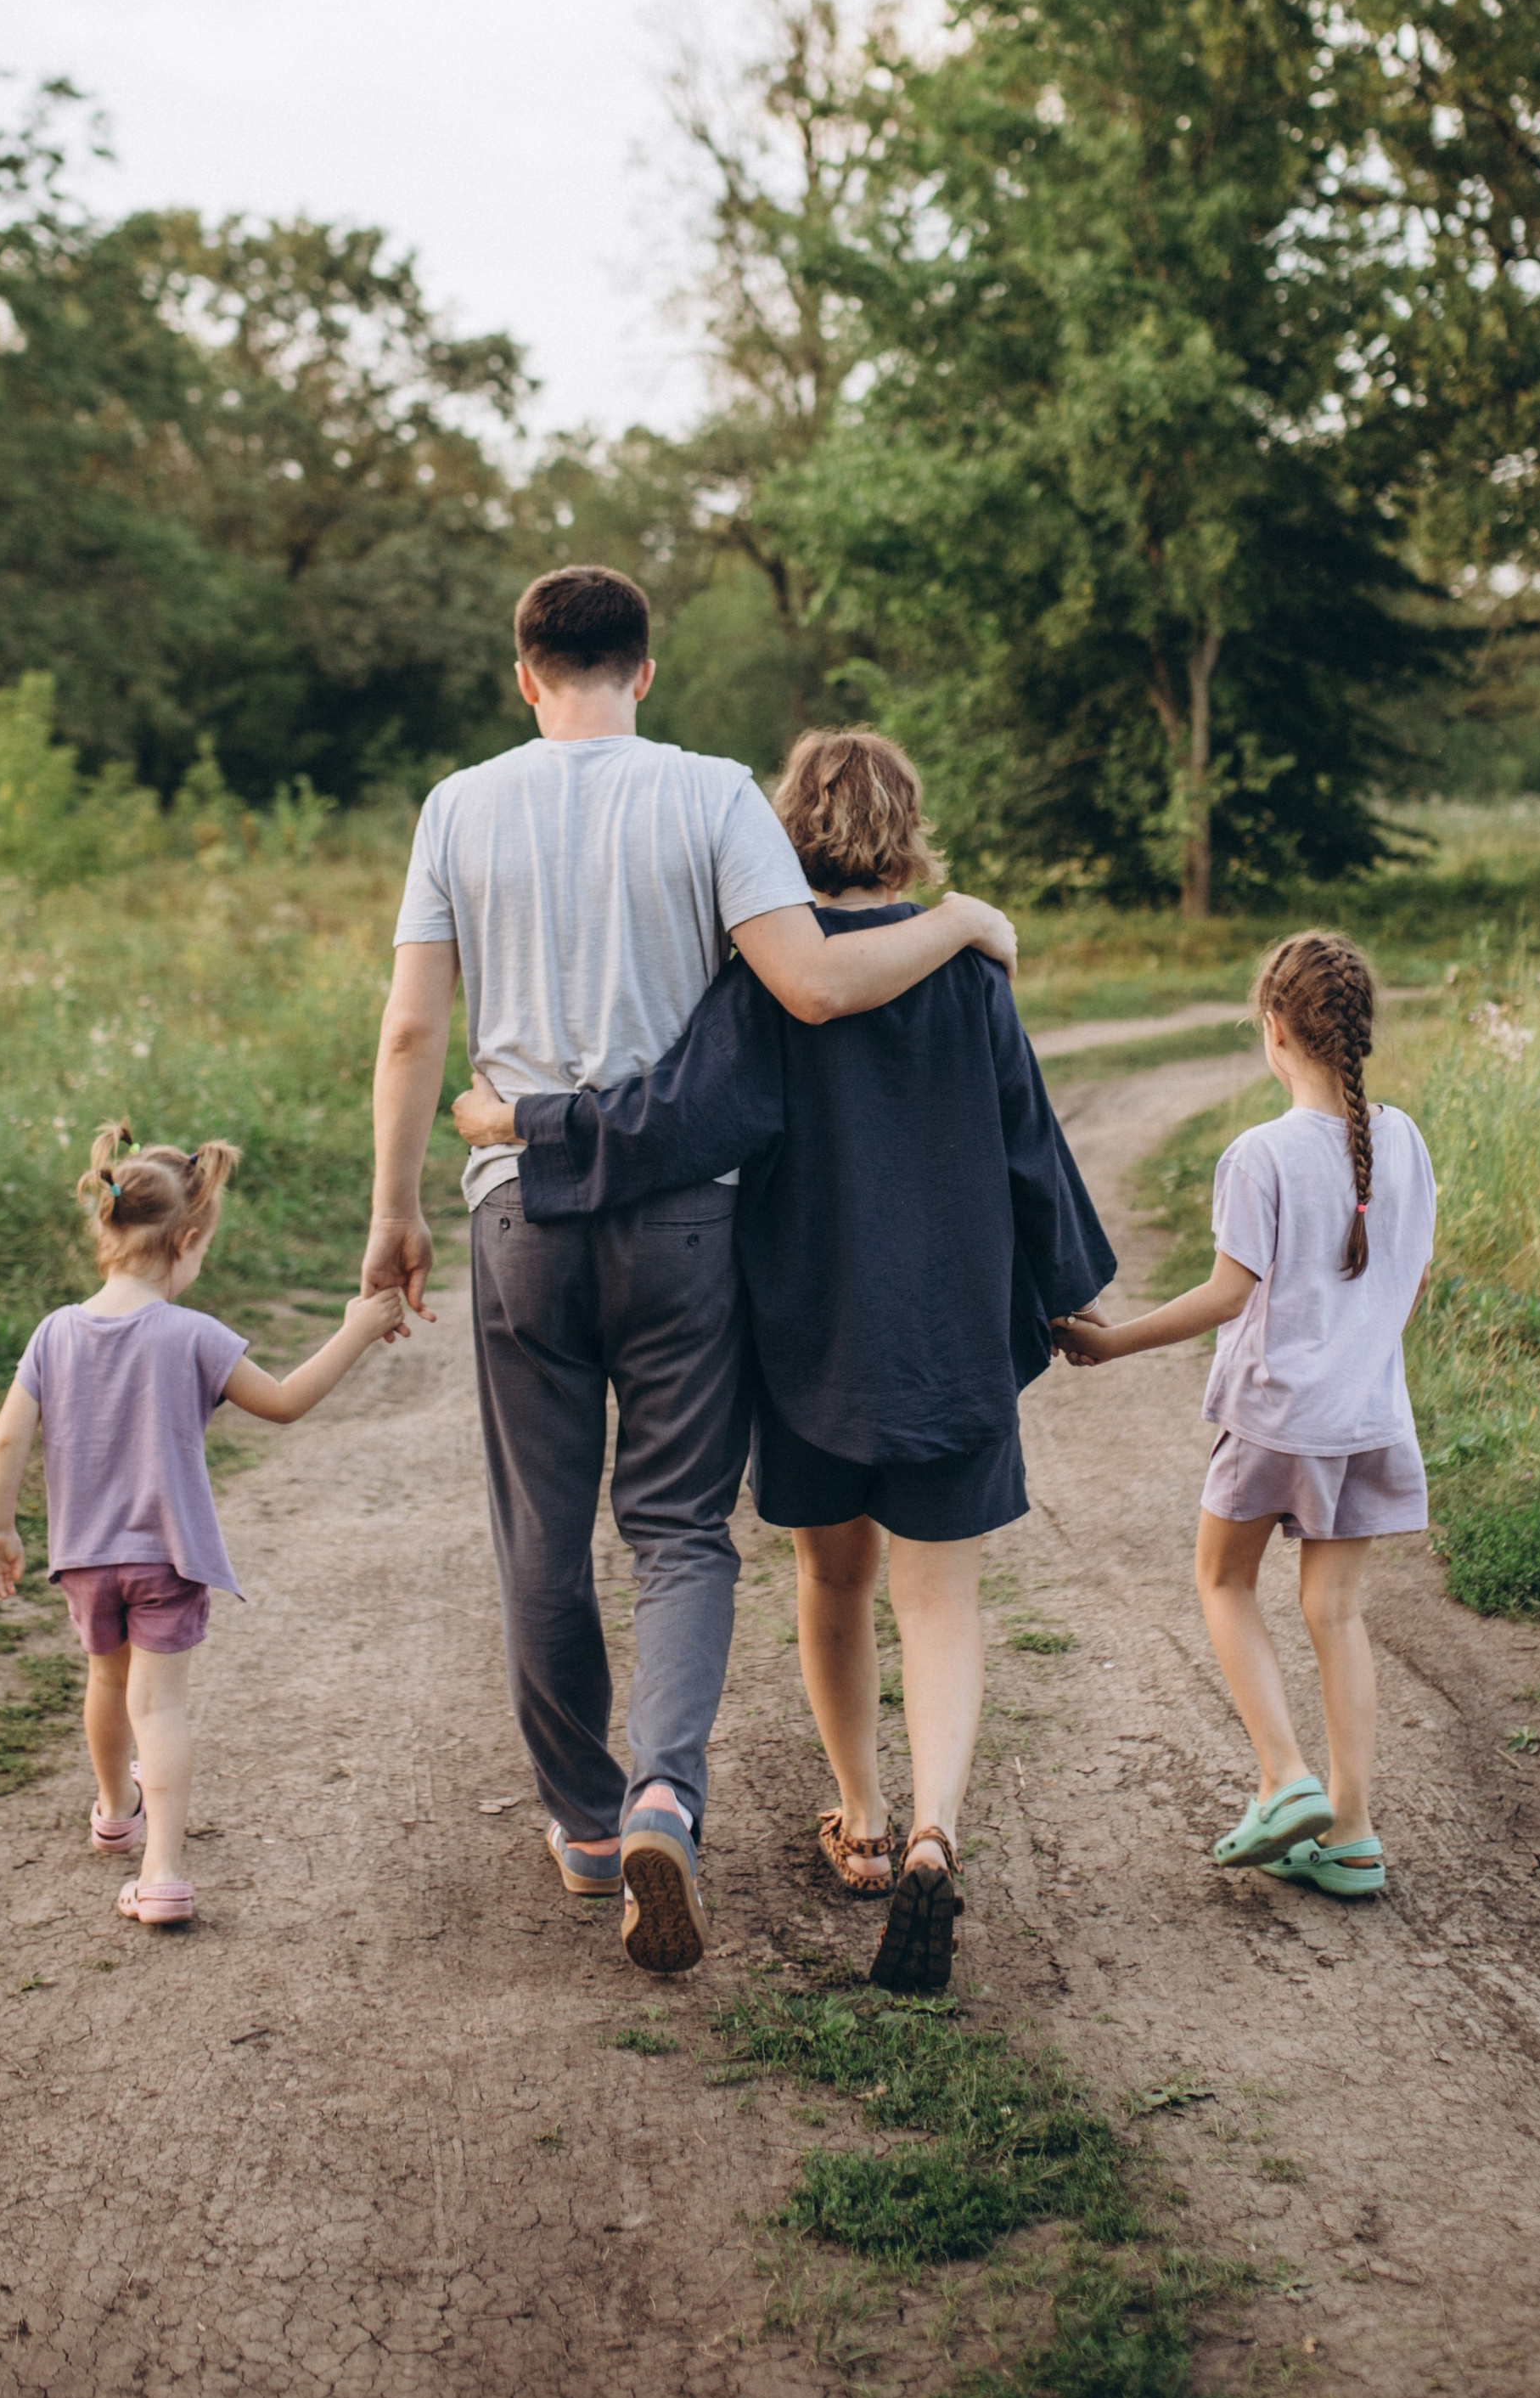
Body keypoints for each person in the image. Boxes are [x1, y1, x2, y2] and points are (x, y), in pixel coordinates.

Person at [363, 570, 1020, 1978]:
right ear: (646, 671)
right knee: (674, 1528)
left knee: (542, 1526)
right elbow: (813, 985)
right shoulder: (714, 793)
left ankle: (590, 1826)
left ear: (524, 675)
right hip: (686, 1226)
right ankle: (670, 1790)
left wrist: (390, 1211)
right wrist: (963, 922)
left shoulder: (459, 808)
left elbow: (415, 1032)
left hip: (517, 1209)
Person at [452, 725, 1112, 1991]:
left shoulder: (762, 983)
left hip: (813, 1331)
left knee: (833, 1581)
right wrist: (1064, 1294)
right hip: (953, 1330)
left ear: (788, 829)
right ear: (910, 827)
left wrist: (519, 1122)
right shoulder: (971, 973)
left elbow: (669, 1121)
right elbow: (1031, 1146)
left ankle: (858, 1815)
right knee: (943, 1600)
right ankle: (933, 1836)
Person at [1054, 930, 1434, 1900]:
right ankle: (1350, 1834)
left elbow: (1229, 1294)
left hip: (1274, 1419)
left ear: (1274, 1030)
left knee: (1223, 1583)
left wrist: (1110, 1340)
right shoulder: (1405, 1140)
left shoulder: (1258, 1153)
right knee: (1336, 1613)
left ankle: (1283, 1777)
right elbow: (1410, 1281)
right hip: (1367, 1420)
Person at [0, 1123, 410, 1928]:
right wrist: (353, 1328)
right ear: (188, 1239)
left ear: (104, 1227)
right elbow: (282, 1402)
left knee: (106, 1683)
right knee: (160, 1709)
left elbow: (7, 1436)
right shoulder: (191, 1334)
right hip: (166, 1558)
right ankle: (165, 1871)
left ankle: (114, 1812)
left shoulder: (55, 1332)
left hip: (83, 1558)